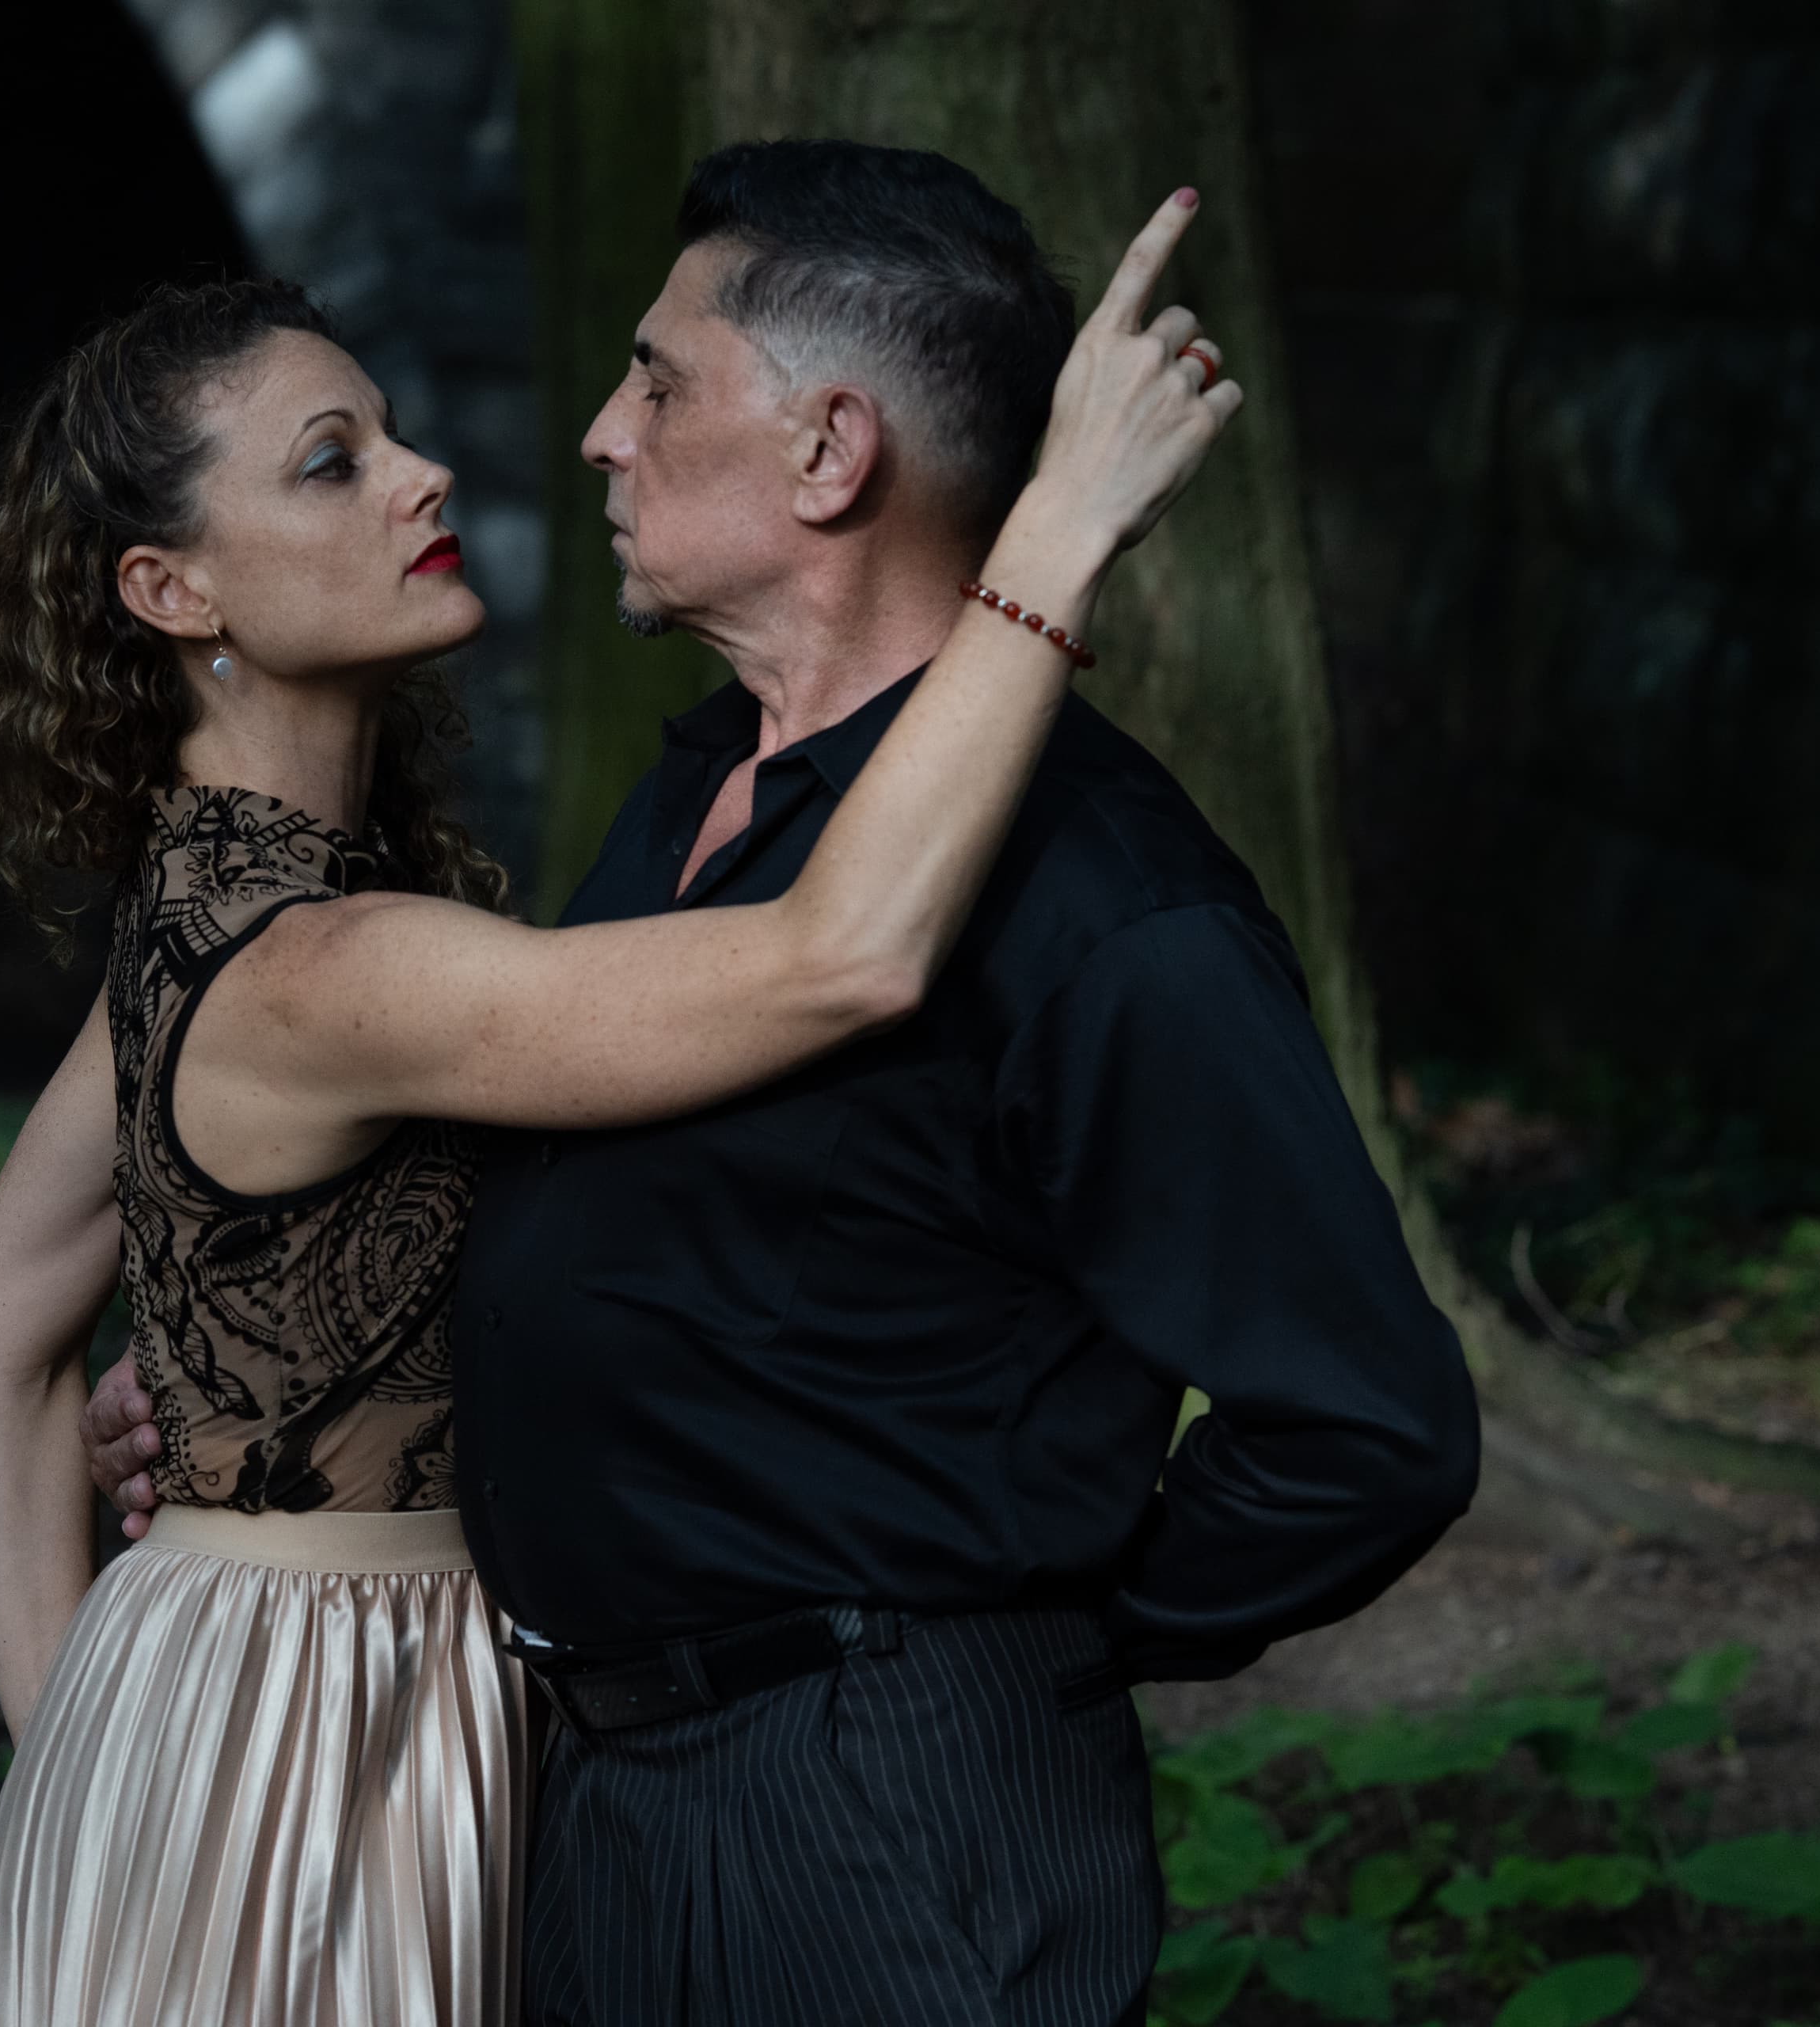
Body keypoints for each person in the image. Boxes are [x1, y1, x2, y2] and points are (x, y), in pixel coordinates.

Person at [89, 139, 1483, 2025]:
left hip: (877, 1818)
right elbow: (610, 1201)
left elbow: (1370, 1422)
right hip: (587, 1790)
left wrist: (1010, 1633)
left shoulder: (1104, 901)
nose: (598, 431)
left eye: (658, 381)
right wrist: (281, 1369)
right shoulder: (696, 792)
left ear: (832, 454)